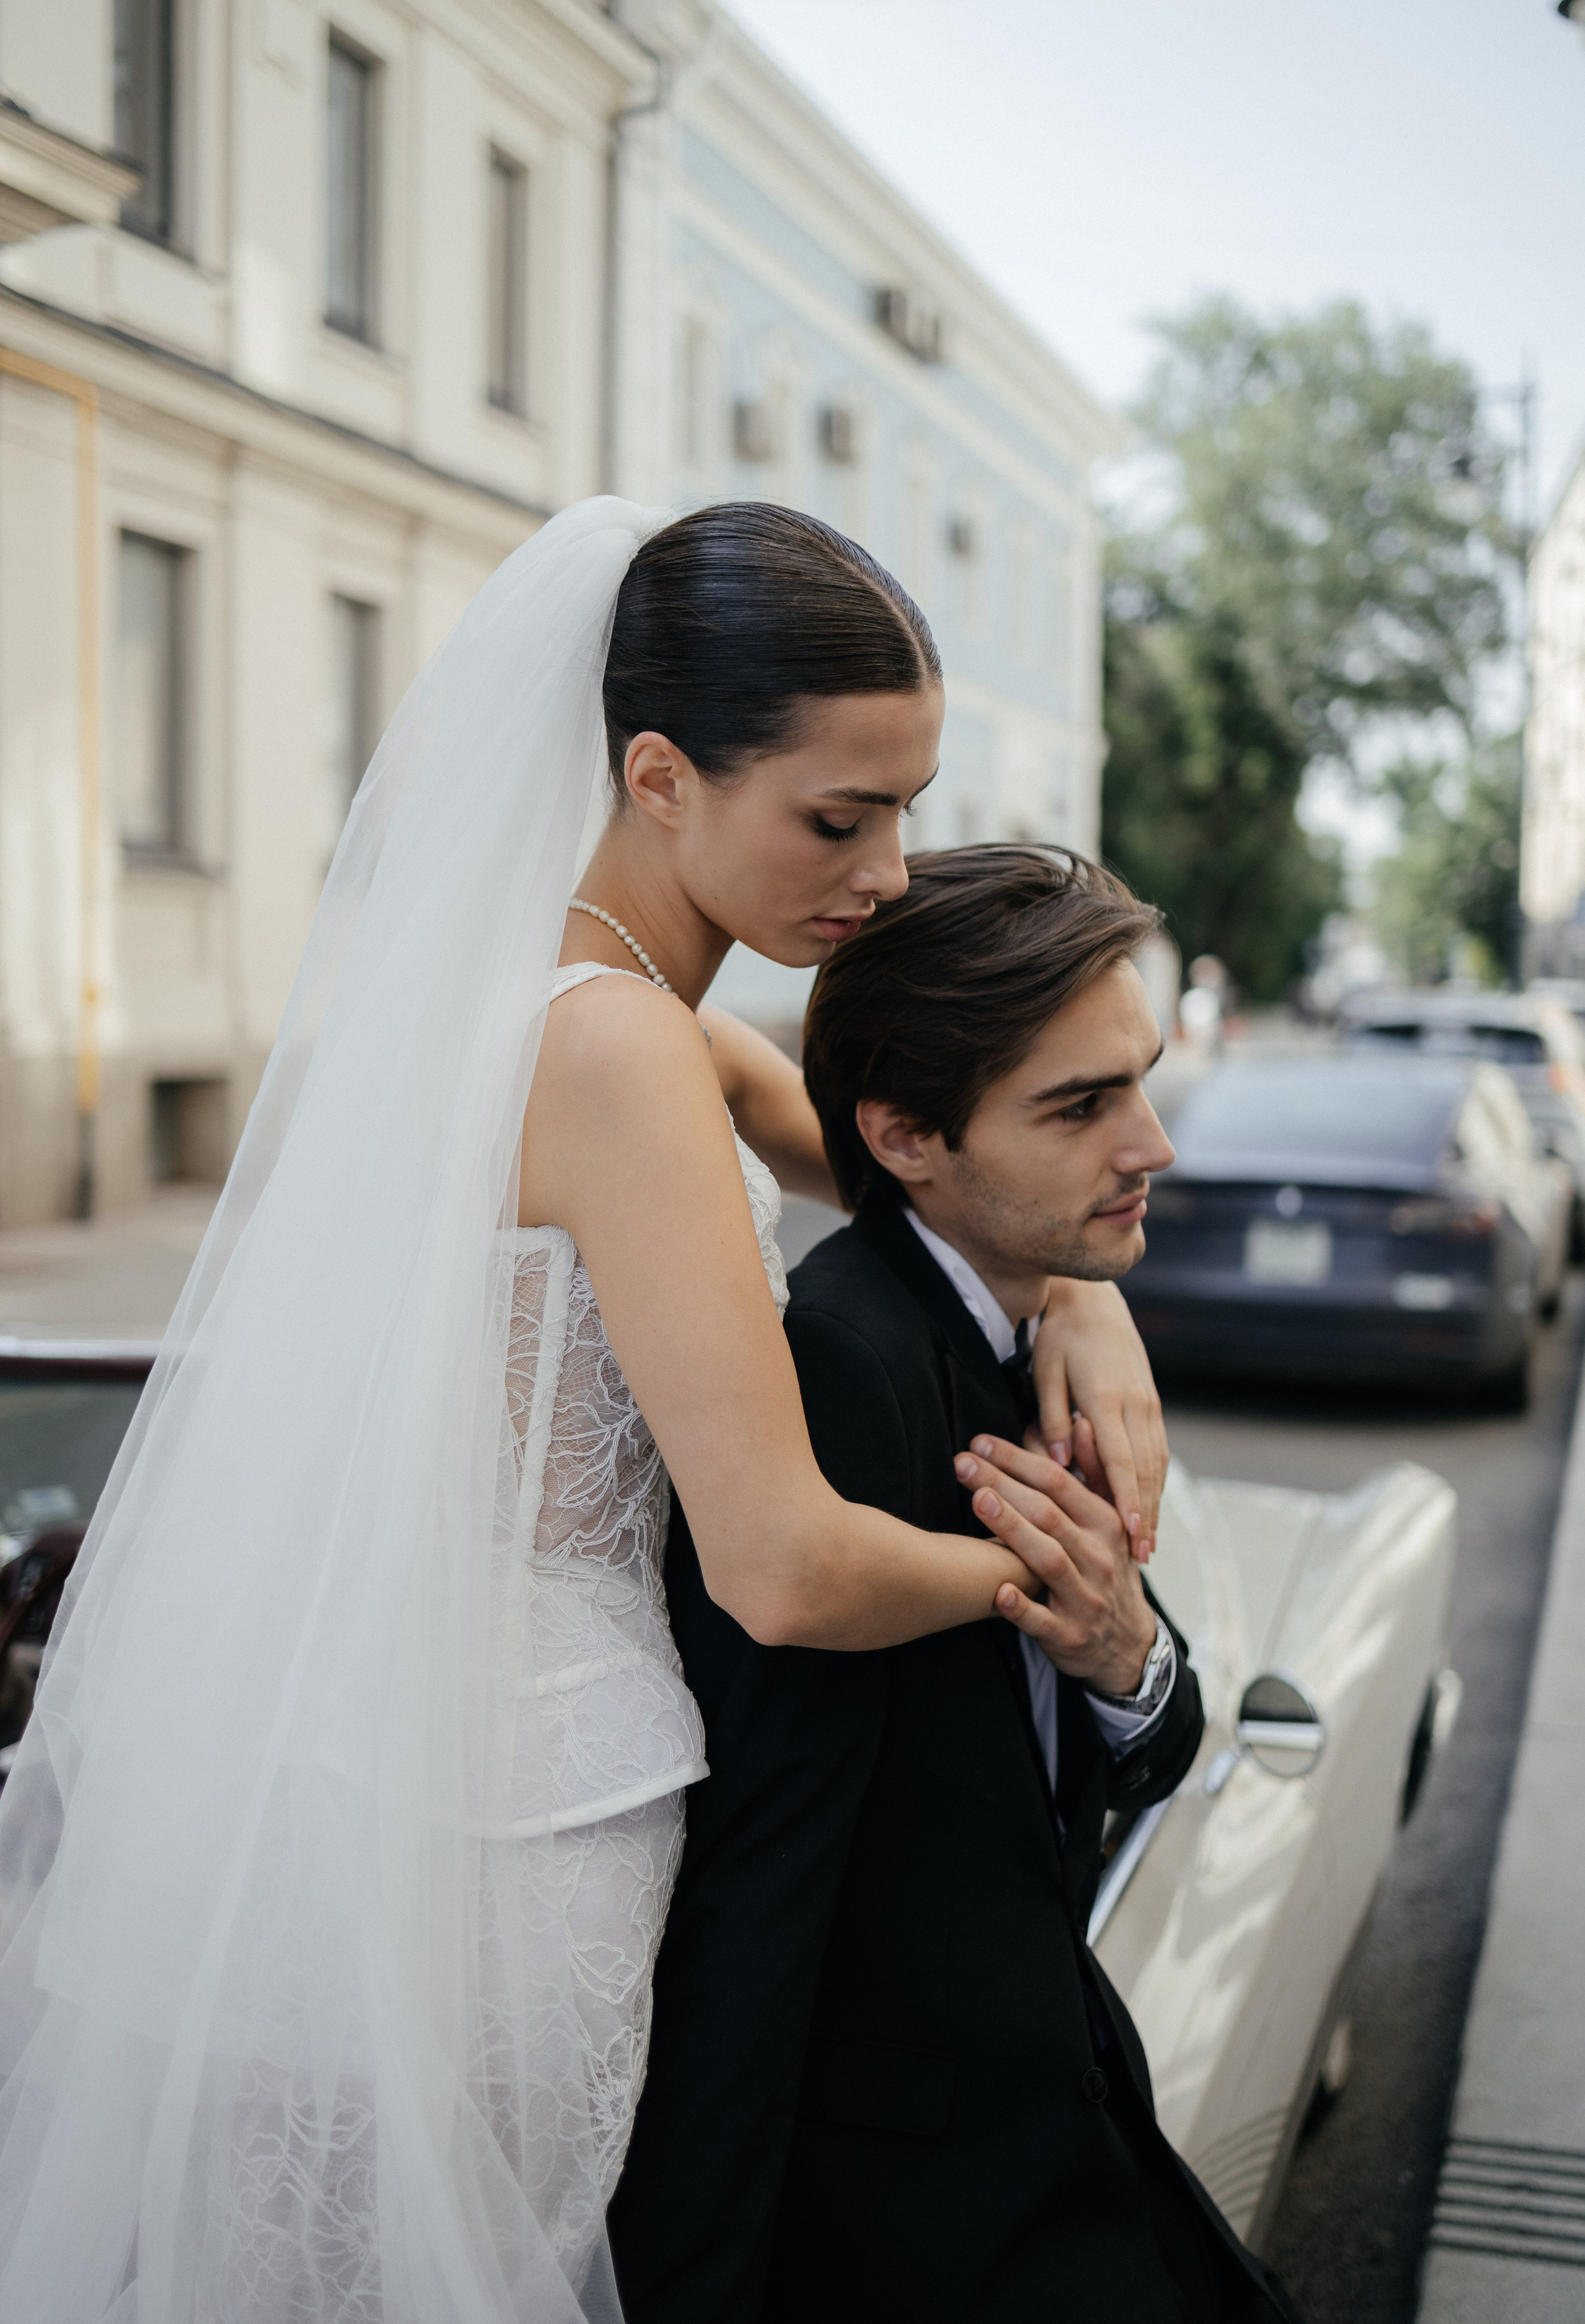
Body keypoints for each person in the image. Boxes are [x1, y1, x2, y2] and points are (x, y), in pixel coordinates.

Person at [0, 501, 1170, 2323]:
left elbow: (882, 1158)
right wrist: (1061, 1581)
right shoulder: (621, 1049)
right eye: (836, 817)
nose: (881, 873)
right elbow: (782, 1566)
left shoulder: (562, 999)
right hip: (524, 1822)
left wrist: (1083, 1288)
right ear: (658, 773)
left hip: (373, 1769)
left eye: (907, 809)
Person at [609, 846, 1303, 2324]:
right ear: (904, 1136)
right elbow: (757, 1886)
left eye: (1141, 1080)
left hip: (1068, 2113)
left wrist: (1126, 1657)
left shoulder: (1030, 1323)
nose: (1153, 1144)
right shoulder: (842, 1377)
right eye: (1080, 1106)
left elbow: (1143, 1737)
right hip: (913, 2222)